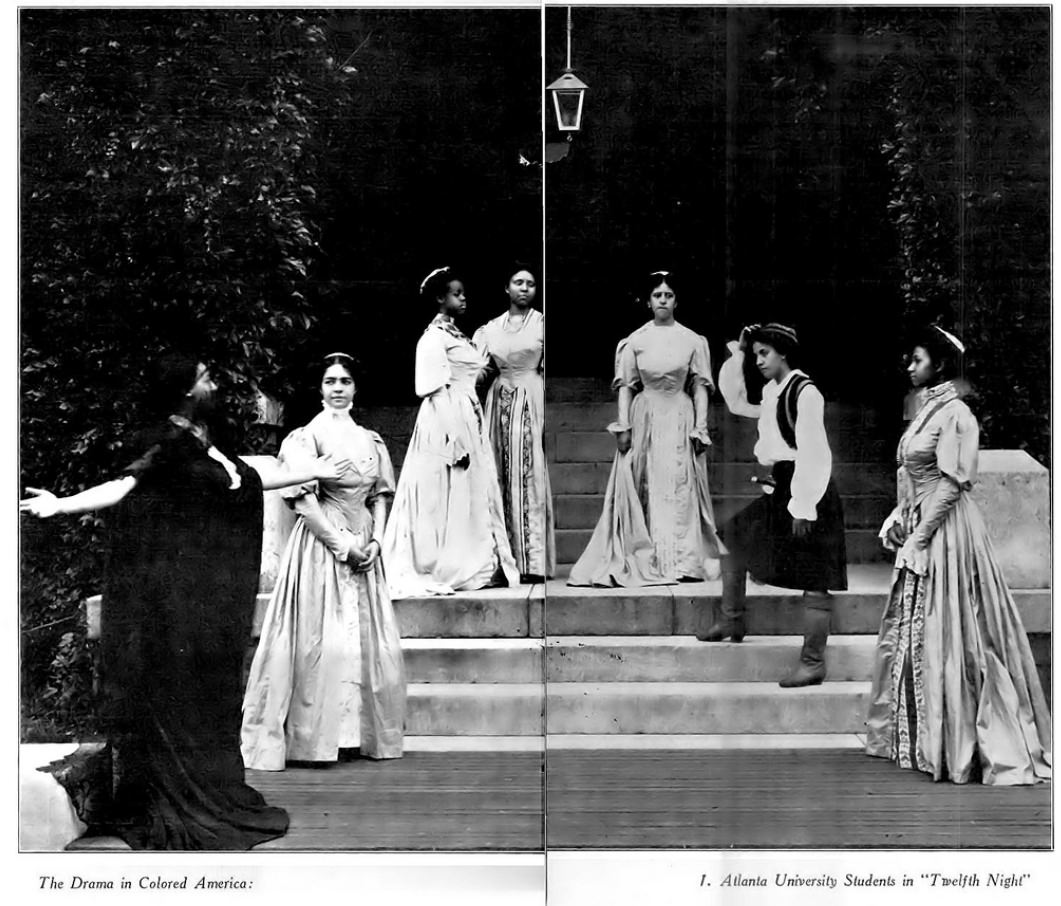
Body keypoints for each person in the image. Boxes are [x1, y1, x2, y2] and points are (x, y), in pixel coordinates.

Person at [20, 355, 344, 849]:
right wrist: (61, 504)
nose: (213, 383)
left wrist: (310, 471)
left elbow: (247, 479)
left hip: (213, 599)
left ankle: (210, 786)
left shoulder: (205, 441)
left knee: (209, 692)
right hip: (178, 600)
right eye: (205, 378)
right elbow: (124, 486)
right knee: (180, 692)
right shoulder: (166, 442)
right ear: (187, 390)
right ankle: (174, 794)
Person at [864, 327, 1051, 784]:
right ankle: (920, 735)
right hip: (925, 522)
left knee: (956, 628)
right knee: (916, 628)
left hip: (948, 531)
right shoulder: (926, 409)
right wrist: (900, 515)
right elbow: (916, 472)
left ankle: (962, 740)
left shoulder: (956, 414)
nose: (910, 366)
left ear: (940, 366)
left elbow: (952, 482)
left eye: (918, 360)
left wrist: (923, 535)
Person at [241, 353, 406, 771]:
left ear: (355, 388)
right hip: (320, 547)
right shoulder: (304, 438)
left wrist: (376, 544)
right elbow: (304, 502)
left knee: (361, 641)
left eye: (345, 381)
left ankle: (355, 736)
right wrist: (342, 546)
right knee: (321, 640)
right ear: (320, 389)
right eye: (330, 381)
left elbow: (381, 497)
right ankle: (315, 739)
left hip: (365, 545)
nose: (337, 388)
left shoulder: (371, 441)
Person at [712, 323, 848, 688]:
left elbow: (815, 454)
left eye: (763, 353)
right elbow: (737, 403)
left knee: (816, 578)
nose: (758, 361)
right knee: (731, 536)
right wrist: (739, 353)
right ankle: (732, 619)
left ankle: (812, 661)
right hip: (785, 485)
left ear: (783, 353)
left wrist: (804, 507)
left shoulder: (805, 393)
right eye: (755, 354)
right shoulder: (774, 391)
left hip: (811, 491)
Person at [568, 270, 724, 587]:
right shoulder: (635, 341)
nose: (663, 300)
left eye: (668, 295)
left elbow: (700, 387)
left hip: (680, 414)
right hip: (646, 414)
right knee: (647, 482)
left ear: (677, 301)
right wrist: (623, 425)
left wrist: (701, 426)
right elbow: (626, 386)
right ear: (648, 302)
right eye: (657, 295)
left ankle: (683, 562)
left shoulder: (693, 340)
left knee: (679, 484)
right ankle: (648, 557)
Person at [382, 267, 519, 597]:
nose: (463, 298)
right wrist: (453, 438)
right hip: (445, 419)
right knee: (443, 488)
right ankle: (441, 561)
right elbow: (435, 389)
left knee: (468, 488)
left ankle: (474, 558)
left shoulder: (457, 335)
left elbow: (471, 375)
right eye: (456, 293)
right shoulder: (432, 339)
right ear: (440, 299)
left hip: (466, 414)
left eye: (463, 293)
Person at [472, 263, 555, 581]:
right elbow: (480, 370)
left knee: (528, 473)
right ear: (506, 288)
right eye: (518, 282)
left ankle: (532, 562)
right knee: (498, 474)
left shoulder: (542, 324)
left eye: (531, 284)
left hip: (531, 396)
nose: (524, 288)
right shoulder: (489, 329)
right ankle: (502, 561)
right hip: (499, 401)